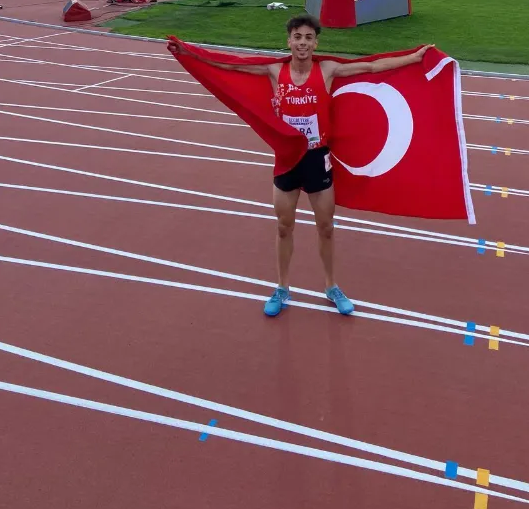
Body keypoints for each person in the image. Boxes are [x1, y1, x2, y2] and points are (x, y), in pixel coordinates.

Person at [168, 18, 429, 317]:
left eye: (308, 37)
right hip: (288, 160)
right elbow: (229, 65)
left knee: (327, 228)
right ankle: (282, 287)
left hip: (317, 159)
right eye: (297, 37)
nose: (303, 42)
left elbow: (370, 67)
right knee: (283, 227)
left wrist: (414, 57)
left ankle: (332, 286)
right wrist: (188, 53)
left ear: (316, 43)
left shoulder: (328, 70)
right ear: (289, 41)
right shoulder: (274, 71)